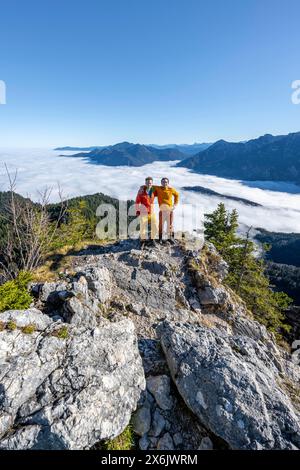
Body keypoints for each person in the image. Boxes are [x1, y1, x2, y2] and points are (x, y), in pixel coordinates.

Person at [153, 177, 179, 243]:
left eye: (166, 182)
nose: (165, 183)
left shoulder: (171, 189)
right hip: (162, 211)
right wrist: (142, 187)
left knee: (169, 225)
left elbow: (177, 195)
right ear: (161, 183)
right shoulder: (158, 188)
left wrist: (175, 204)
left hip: (170, 211)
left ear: (168, 183)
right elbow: (148, 185)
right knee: (161, 225)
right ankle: (160, 238)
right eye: (163, 182)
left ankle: (169, 238)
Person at [135, 176, 157, 245]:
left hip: (151, 212)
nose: (149, 184)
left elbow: (161, 189)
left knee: (155, 226)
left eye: (150, 183)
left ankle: (152, 239)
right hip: (143, 212)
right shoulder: (141, 192)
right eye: (147, 183)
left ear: (152, 183)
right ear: (145, 183)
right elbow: (137, 202)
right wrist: (137, 211)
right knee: (143, 227)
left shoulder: (153, 191)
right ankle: (142, 241)